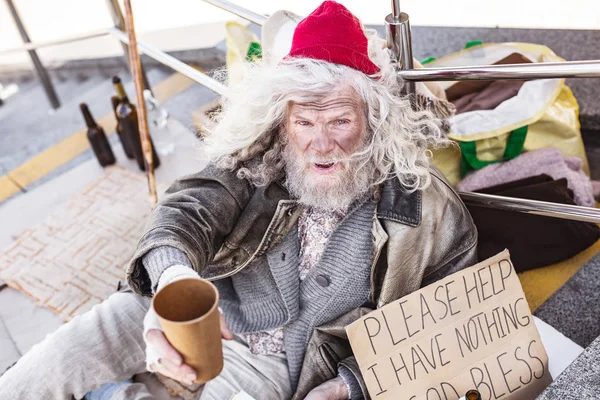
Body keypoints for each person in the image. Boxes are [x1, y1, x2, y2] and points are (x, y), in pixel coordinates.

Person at [0, 2, 477, 399]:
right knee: (40, 371)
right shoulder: (262, 154)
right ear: (283, 120)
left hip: (276, 362)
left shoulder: (426, 208)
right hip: (204, 304)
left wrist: (349, 385)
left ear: (373, 120)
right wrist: (172, 282)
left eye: (338, 121)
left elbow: (448, 320)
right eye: (305, 122)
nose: (320, 143)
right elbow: (189, 207)